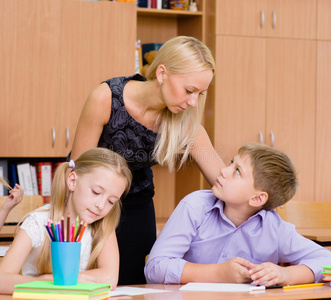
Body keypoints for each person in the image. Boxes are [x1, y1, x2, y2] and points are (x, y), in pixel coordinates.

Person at [68, 36, 224, 284]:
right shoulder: (106, 98)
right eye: (189, 90)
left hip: (136, 207)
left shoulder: (185, 123)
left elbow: (222, 178)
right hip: (91, 203)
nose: (194, 102)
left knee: (132, 285)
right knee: (83, 283)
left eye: (200, 93)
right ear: (162, 73)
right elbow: (76, 169)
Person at [145, 143, 331, 286]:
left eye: (237, 171)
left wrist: (286, 275)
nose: (223, 171)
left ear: (257, 199)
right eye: (231, 163)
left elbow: (327, 261)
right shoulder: (195, 207)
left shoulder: (275, 228)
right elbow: (155, 268)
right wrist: (219, 273)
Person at [0, 148, 132, 295]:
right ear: (72, 181)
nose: (101, 206)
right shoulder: (38, 222)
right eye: (96, 192)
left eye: (111, 201)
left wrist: (58, 281)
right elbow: (2, 280)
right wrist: (47, 283)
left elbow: (110, 278)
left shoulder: (103, 225)